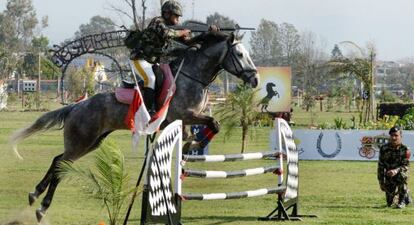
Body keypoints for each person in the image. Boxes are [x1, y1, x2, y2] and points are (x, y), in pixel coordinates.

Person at [129, 0, 191, 114]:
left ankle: (158, 106)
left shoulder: (171, 27)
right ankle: (148, 111)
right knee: (150, 79)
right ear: (167, 14)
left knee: (163, 80)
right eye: (176, 16)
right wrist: (183, 32)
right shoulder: (157, 22)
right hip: (139, 59)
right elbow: (167, 33)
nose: (178, 19)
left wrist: (206, 35)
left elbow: (188, 41)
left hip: (151, 62)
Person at [377, 126, 412, 208]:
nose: (394, 138)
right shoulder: (384, 148)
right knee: (390, 204)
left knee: (402, 175)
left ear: (401, 136)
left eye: (396, 135)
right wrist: (381, 182)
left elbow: (405, 166)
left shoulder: (405, 149)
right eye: (392, 135)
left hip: (399, 174)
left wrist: (396, 171)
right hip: (389, 176)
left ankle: (402, 201)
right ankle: (406, 196)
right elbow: (381, 166)